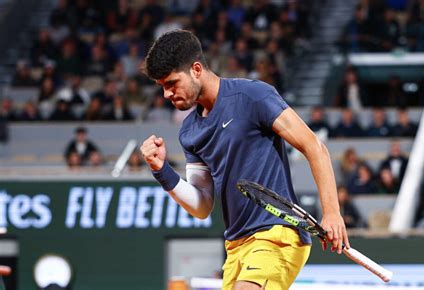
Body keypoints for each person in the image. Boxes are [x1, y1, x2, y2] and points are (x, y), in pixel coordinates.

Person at [139, 30, 349, 290]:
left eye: (171, 83)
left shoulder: (252, 96)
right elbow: (202, 206)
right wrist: (162, 171)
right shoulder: (190, 132)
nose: (167, 94)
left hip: (277, 233)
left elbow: (314, 146)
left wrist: (331, 213)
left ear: (196, 69)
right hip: (237, 246)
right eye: (162, 87)